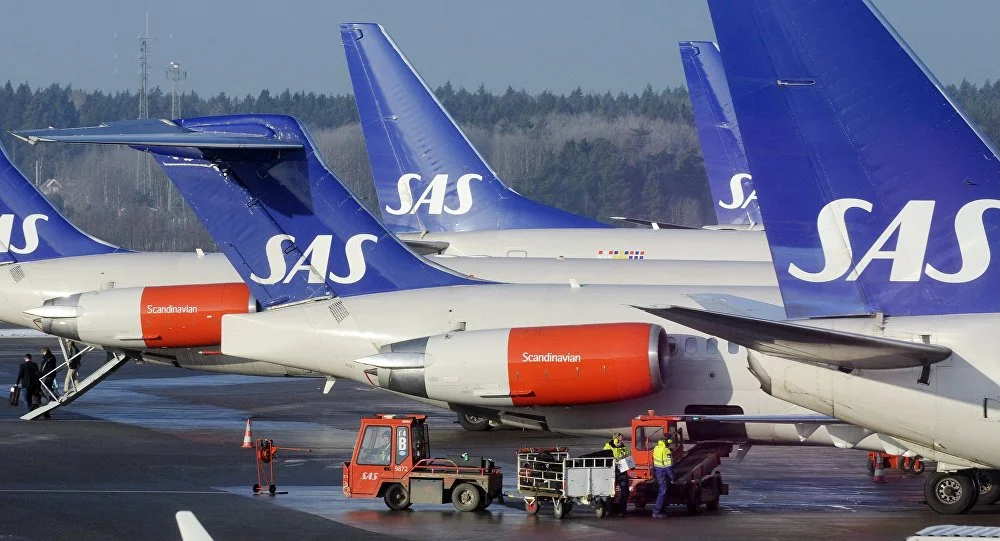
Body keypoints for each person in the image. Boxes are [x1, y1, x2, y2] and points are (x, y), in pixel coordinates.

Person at [603, 432, 632, 515]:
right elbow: (604, 457)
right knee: (610, 491)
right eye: (620, 439)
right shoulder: (608, 446)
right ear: (615, 438)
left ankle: (622, 511)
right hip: (611, 470)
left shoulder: (624, 448)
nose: (621, 441)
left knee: (625, 492)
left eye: (622, 439)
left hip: (622, 471)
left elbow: (628, 457)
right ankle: (609, 510)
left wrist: (631, 465)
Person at [652, 437, 676, 518]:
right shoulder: (666, 451)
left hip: (657, 471)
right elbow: (668, 466)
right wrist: (672, 477)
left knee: (663, 490)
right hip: (663, 473)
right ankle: (657, 511)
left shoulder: (656, 448)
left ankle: (661, 509)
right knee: (663, 491)